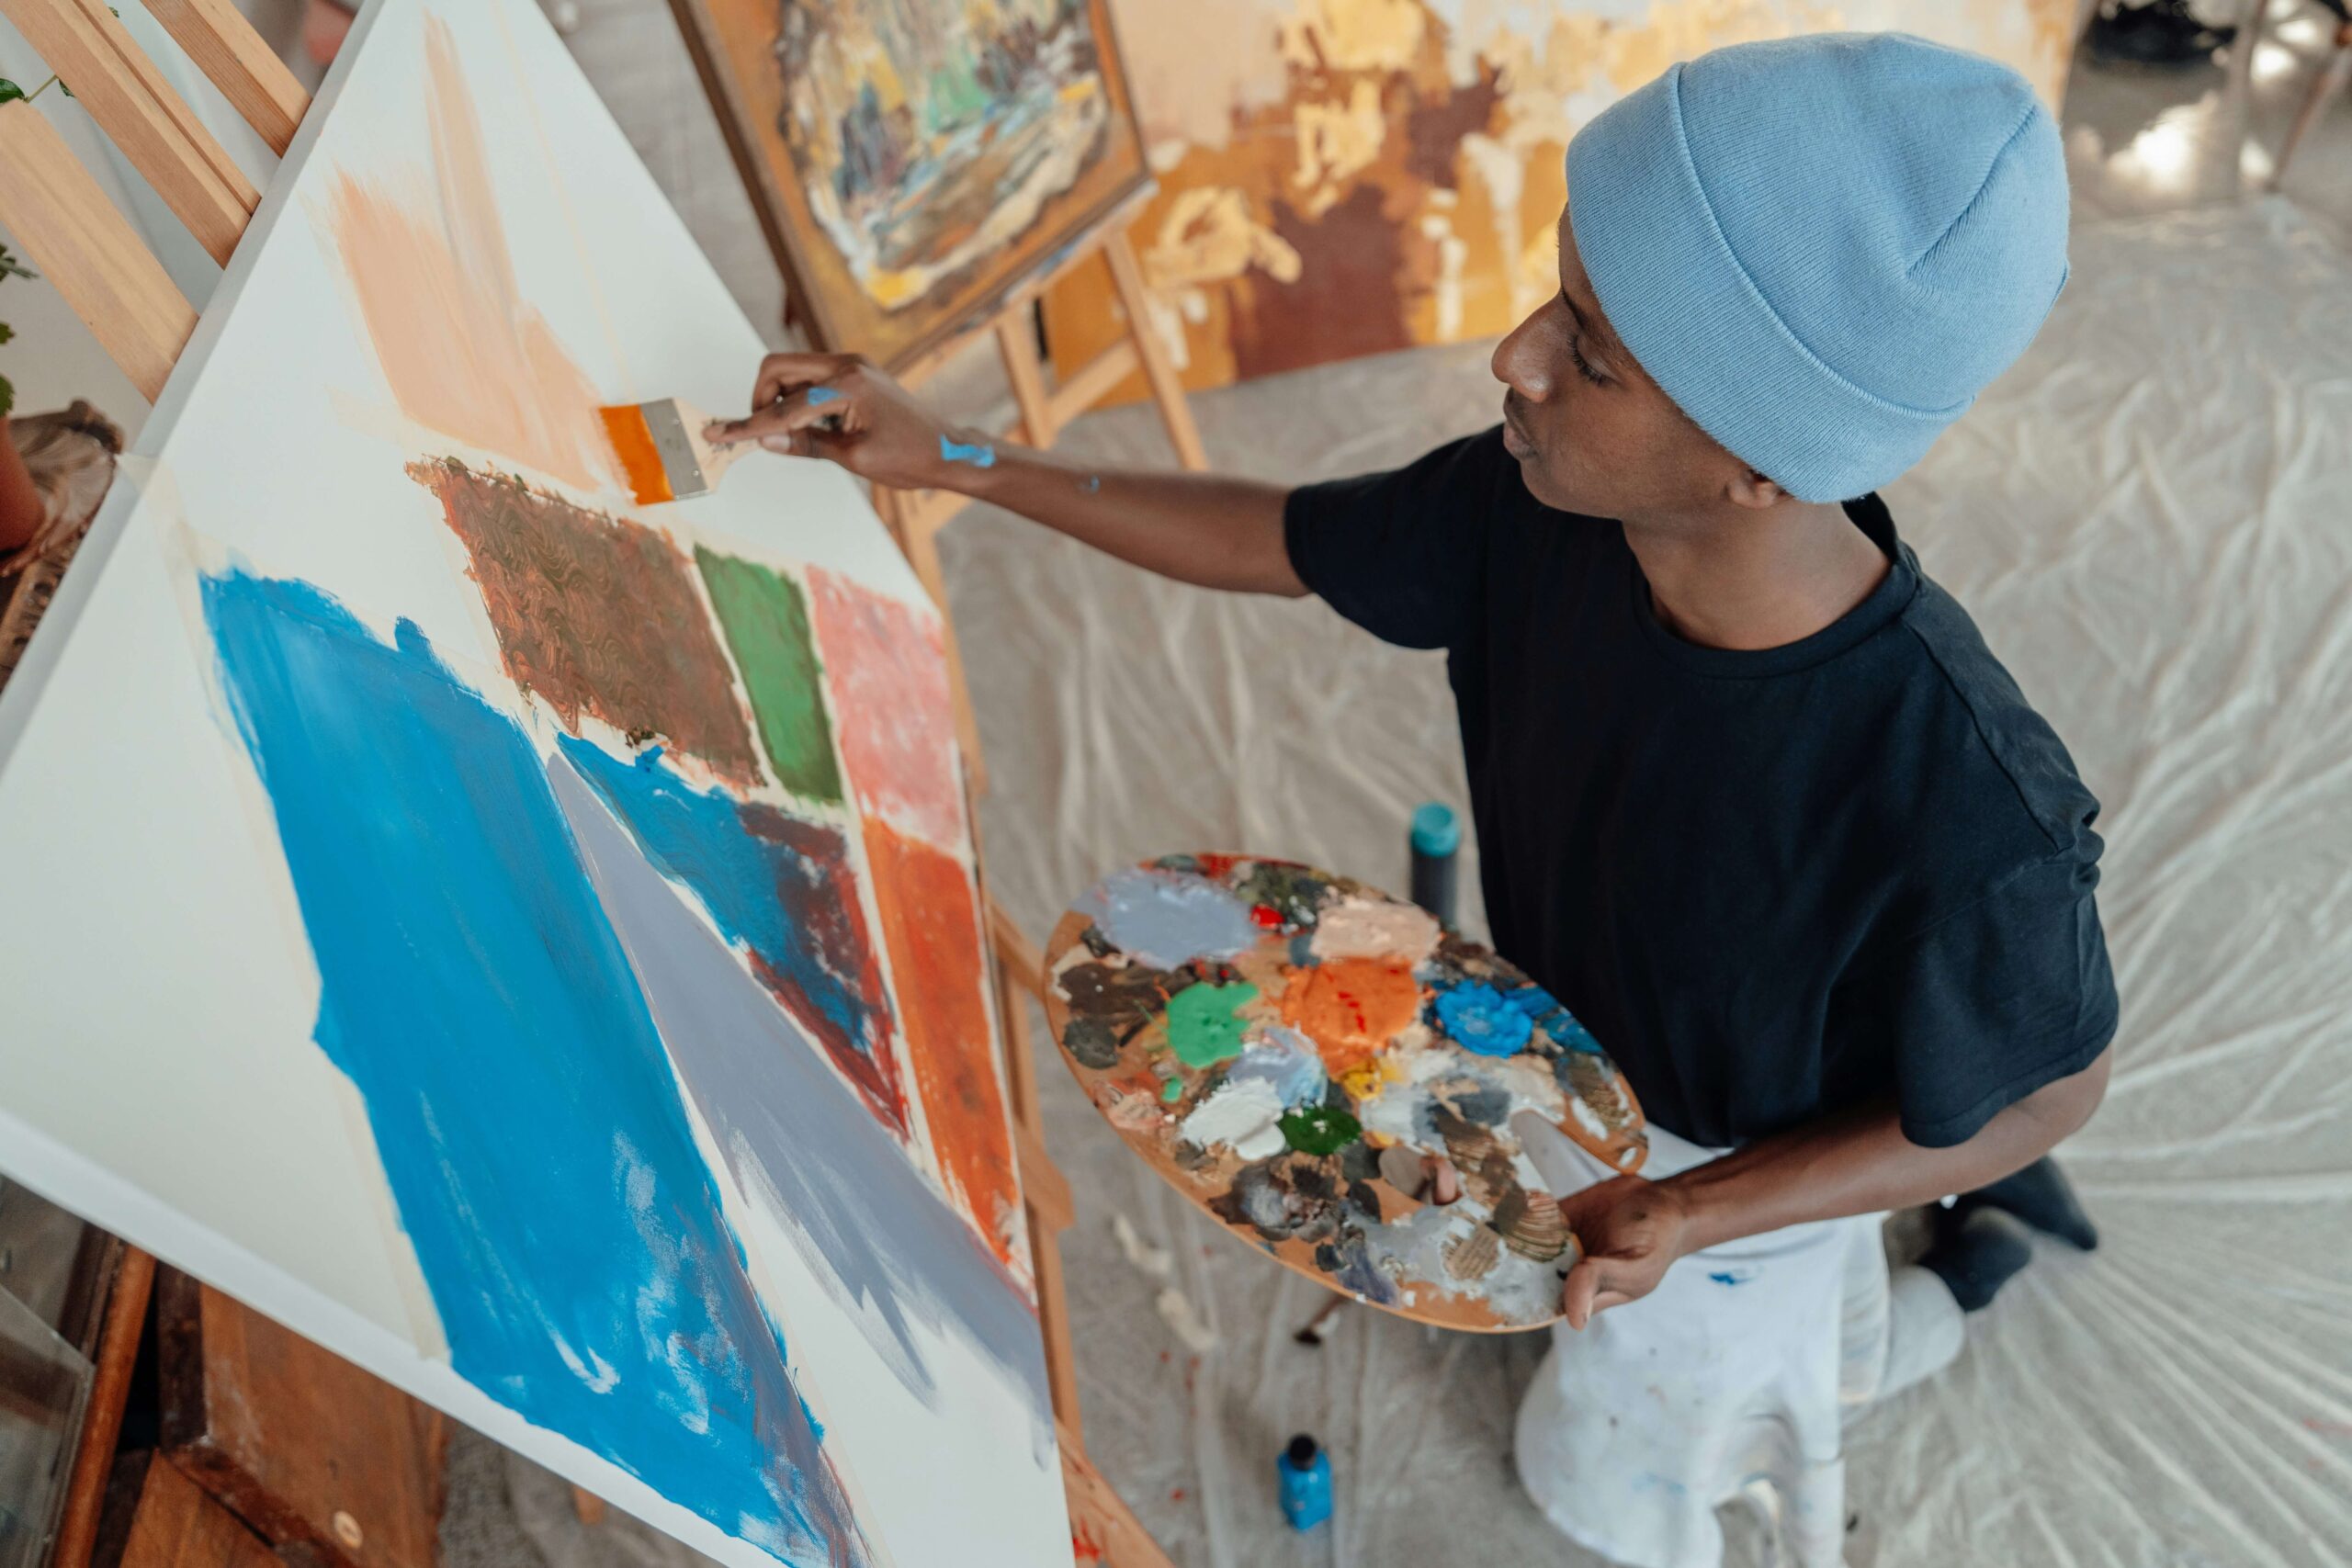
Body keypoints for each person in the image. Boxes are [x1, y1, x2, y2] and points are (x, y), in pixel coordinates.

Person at [713, 33, 2117, 1568]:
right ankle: (1913, 1278)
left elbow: (2047, 1097)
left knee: (1660, 1430)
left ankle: (1958, 1282)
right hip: (1574, 1059)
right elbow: (1284, 536)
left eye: (1589, 351)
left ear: (1764, 465)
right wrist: (961, 458)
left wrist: (1704, 1211)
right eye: (1557, 294)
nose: (1514, 356)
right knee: (1706, 1320)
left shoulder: (1971, 810)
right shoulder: (1547, 506)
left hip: (1727, 1173)